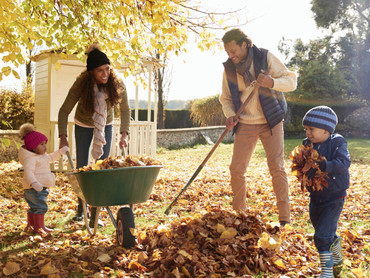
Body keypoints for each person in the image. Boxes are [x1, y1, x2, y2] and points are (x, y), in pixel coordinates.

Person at [219, 28, 297, 226]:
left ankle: (285, 219)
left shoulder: (265, 57)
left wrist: (272, 82)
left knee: (277, 168)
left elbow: (291, 81)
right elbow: (226, 98)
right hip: (245, 123)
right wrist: (229, 115)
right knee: (236, 169)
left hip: (271, 121)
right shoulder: (229, 69)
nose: (231, 55)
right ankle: (239, 216)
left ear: (244, 44)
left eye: (233, 50)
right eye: (228, 51)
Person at [58, 44, 131, 227]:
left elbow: (125, 109)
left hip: (105, 124)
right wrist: (63, 136)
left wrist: (124, 134)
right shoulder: (81, 85)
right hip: (83, 124)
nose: (105, 74)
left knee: (102, 167)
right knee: (82, 167)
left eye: (107, 69)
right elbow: (63, 111)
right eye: (100, 71)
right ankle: (81, 209)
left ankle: (96, 211)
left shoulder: (117, 83)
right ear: (91, 72)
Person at [301, 106, 350, 278]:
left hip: (335, 196)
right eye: (306, 129)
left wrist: (325, 165)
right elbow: (303, 163)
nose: (308, 133)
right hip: (316, 197)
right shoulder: (307, 144)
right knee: (324, 233)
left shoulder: (338, 142)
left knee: (321, 236)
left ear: (325, 129)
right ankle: (335, 250)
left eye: (311, 129)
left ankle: (327, 273)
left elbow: (344, 163)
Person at [19, 123, 69, 235]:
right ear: (33, 147)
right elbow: (28, 172)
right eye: (41, 144)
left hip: (38, 186)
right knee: (40, 207)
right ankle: (39, 228)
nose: (45, 147)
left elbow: (51, 157)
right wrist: (34, 182)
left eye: (45, 143)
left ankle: (31, 225)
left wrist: (60, 152)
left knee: (34, 207)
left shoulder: (41, 156)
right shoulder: (31, 159)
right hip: (34, 188)